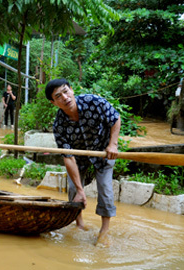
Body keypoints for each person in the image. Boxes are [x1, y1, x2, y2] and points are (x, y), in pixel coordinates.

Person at [45, 78, 121, 246]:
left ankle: (104, 231)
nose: (64, 97)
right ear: (53, 102)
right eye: (58, 96)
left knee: (105, 189)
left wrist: (113, 144)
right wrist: (80, 189)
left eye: (66, 91)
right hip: (78, 158)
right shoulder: (59, 125)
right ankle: (79, 224)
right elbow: (68, 157)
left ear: (72, 90)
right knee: (73, 189)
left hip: (104, 152)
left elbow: (115, 119)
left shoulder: (94, 102)